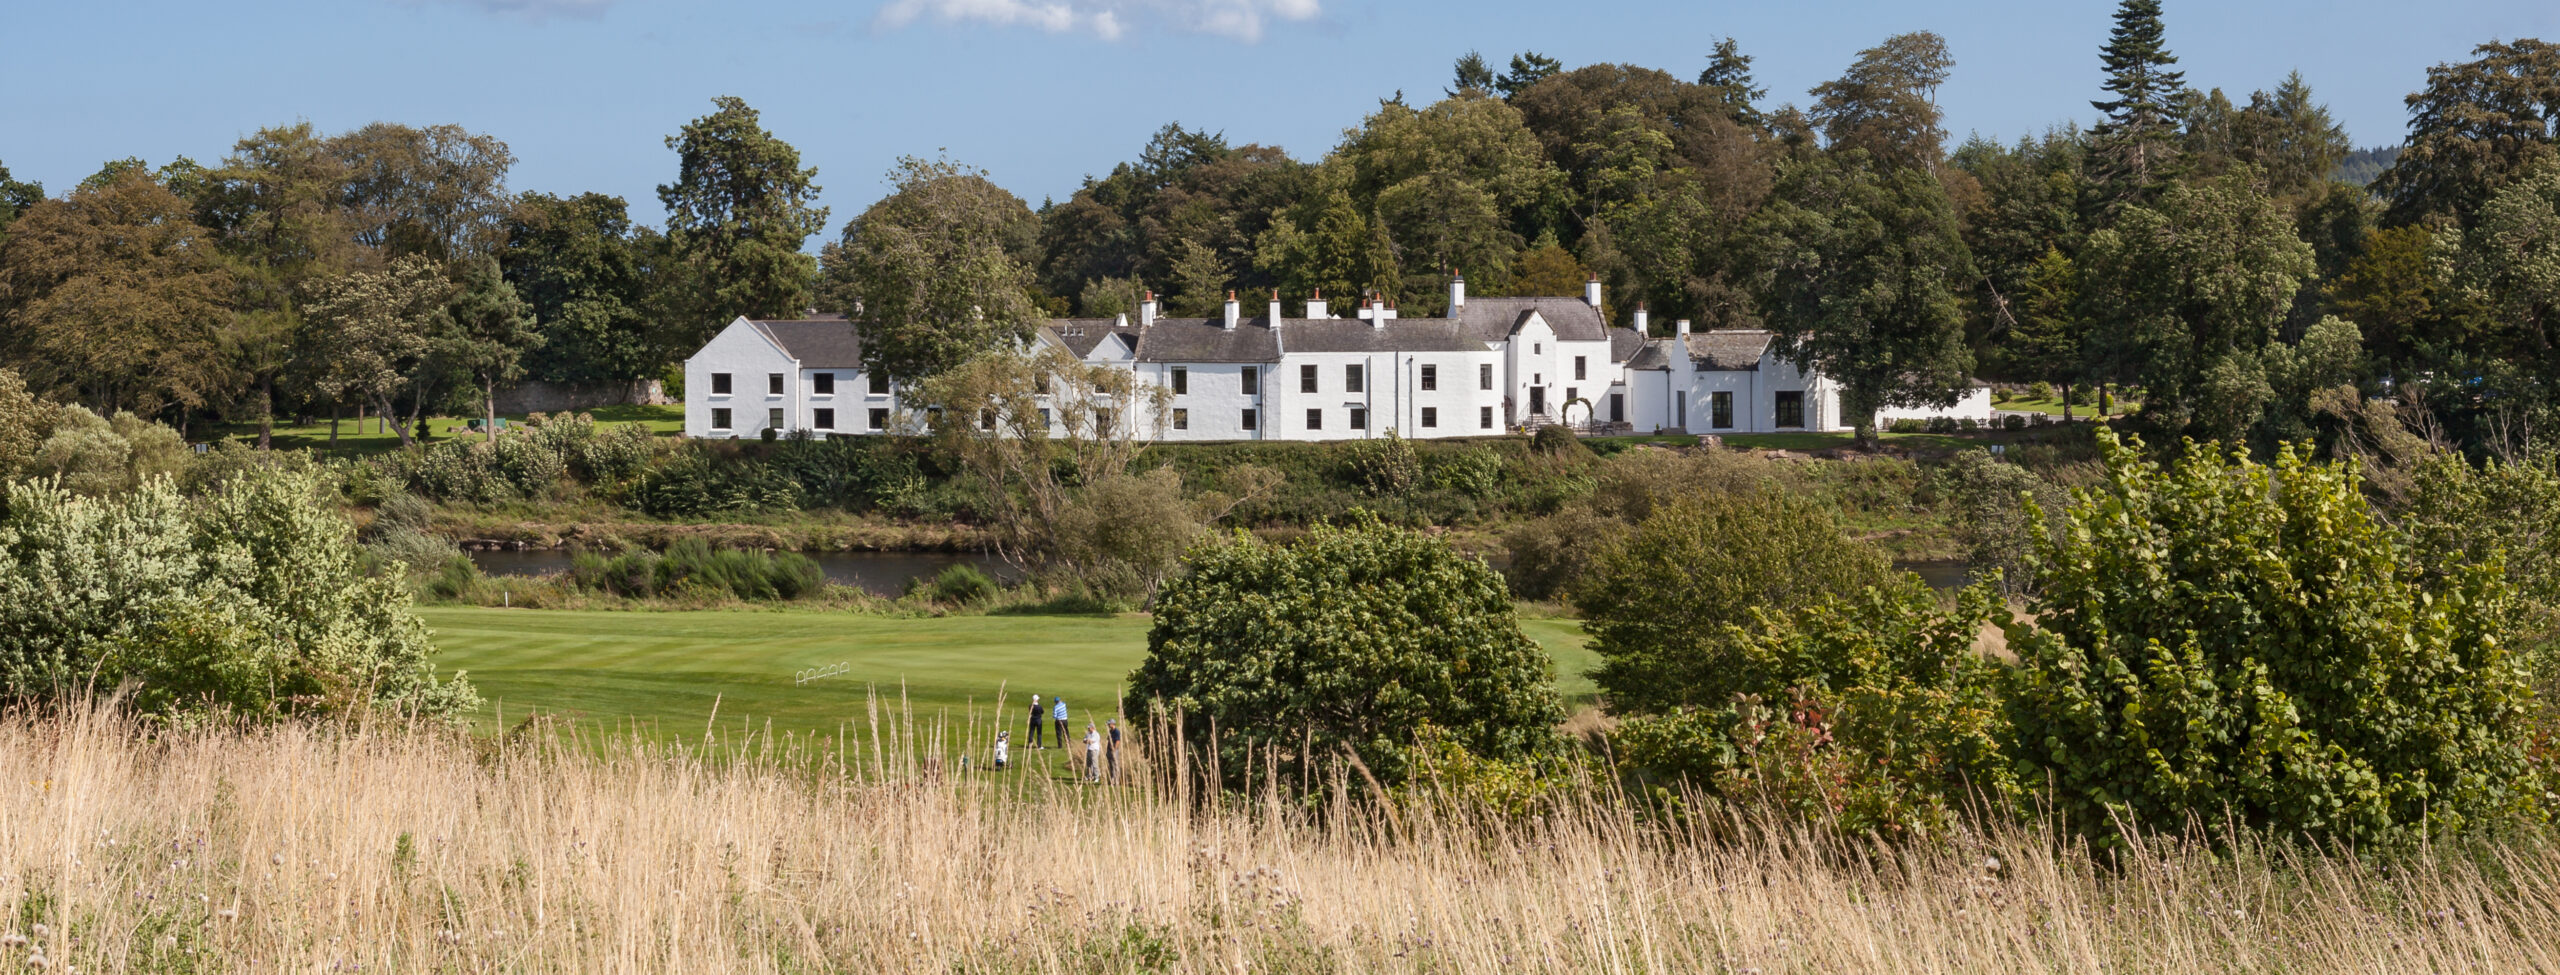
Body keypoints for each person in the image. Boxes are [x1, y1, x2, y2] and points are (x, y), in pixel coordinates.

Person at [1105, 718, 1122, 784]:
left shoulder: (1116, 731)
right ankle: (1112, 779)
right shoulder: (1110, 731)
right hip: (1109, 750)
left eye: (1109, 724)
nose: (1108, 725)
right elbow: (1108, 740)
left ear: (1112, 724)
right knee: (1111, 765)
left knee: (1115, 765)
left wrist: (1114, 749)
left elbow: (1117, 741)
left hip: (1114, 750)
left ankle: (1116, 780)